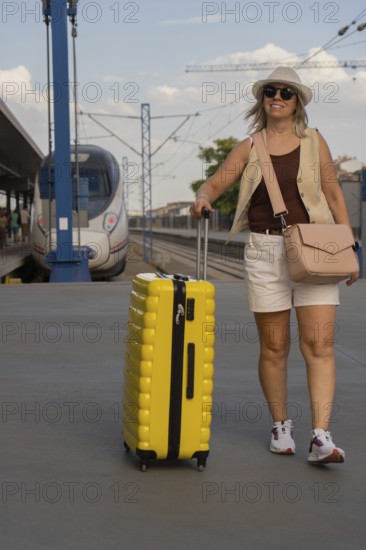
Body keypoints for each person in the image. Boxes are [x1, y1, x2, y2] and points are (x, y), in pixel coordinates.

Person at [190, 67, 359, 464]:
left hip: (317, 248)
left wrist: (349, 246)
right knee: (274, 345)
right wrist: (201, 197)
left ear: (297, 101)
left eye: (286, 91)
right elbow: (214, 184)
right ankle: (281, 427)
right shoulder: (249, 147)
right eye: (270, 91)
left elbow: (334, 197)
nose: (277, 96)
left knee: (319, 343)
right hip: (265, 252)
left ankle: (321, 435)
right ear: (262, 99)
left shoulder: (315, 142)